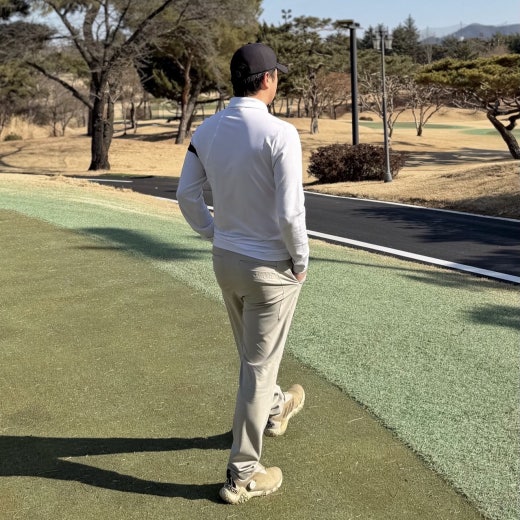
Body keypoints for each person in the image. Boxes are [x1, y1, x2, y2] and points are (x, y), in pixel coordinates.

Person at [176, 42, 309, 505]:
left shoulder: (207, 130)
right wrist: (301, 260)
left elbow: (187, 194)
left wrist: (213, 232)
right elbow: (291, 212)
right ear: (268, 79)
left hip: (225, 260)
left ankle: (276, 407)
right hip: (270, 268)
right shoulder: (281, 133)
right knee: (257, 366)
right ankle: (244, 475)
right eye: (278, 75)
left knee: (255, 360)